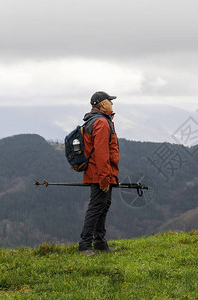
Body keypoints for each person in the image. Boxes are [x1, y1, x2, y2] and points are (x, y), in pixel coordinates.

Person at [78, 91, 119, 256]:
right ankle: (85, 245)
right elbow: (102, 153)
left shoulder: (94, 120)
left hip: (98, 172)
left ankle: (100, 242)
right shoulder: (101, 122)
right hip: (100, 173)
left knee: (102, 206)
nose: (112, 104)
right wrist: (104, 179)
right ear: (102, 104)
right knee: (96, 207)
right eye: (110, 101)